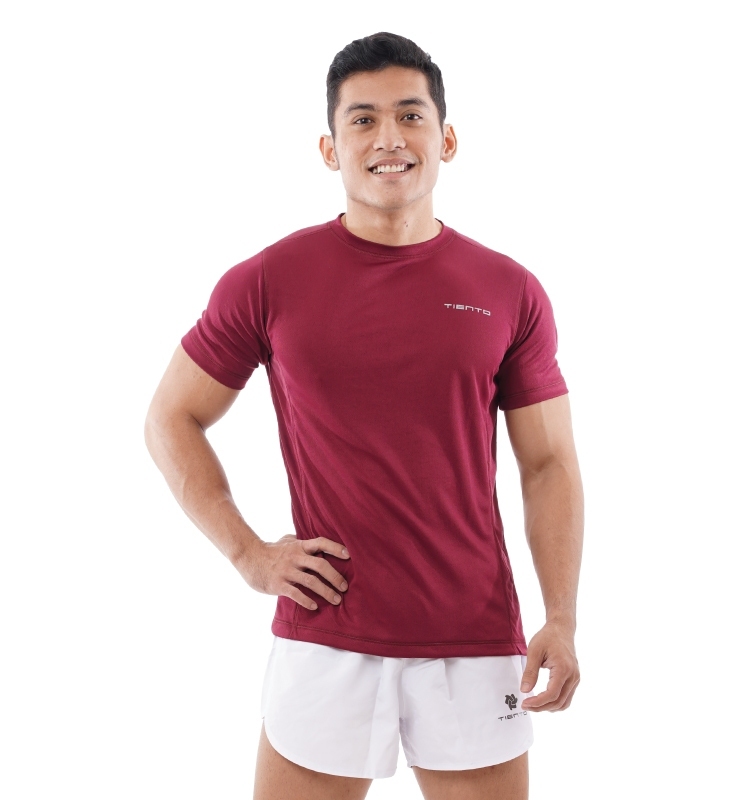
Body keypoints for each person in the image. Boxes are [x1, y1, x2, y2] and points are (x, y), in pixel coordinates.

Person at [144, 31, 583, 800]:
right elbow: (170, 418)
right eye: (363, 119)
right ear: (330, 148)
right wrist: (249, 555)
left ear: (446, 139)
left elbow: (548, 462)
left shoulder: (509, 289)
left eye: (411, 116)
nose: (389, 138)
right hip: (327, 632)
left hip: (472, 638)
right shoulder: (268, 281)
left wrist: (562, 617)